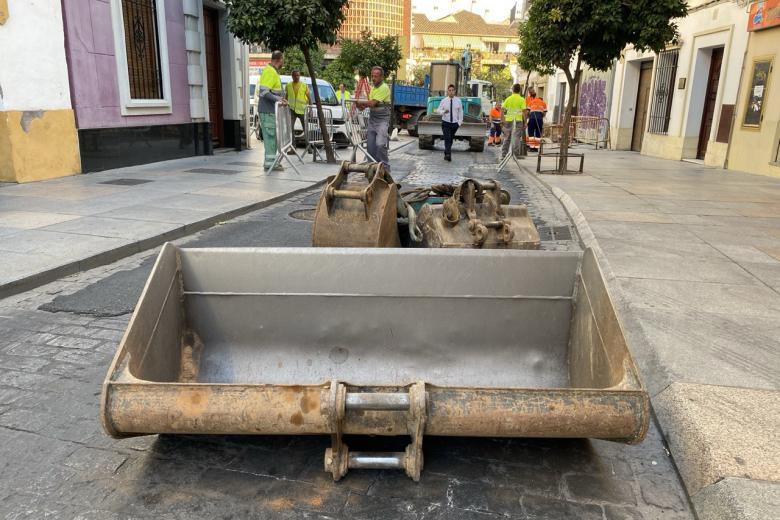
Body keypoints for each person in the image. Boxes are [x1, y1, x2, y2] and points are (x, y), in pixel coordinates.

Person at [356, 66, 391, 172]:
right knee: (370, 148)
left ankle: (385, 167)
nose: (373, 78)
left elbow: (373, 103)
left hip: (382, 121)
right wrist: (360, 106)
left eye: (376, 76)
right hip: (372, 120)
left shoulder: (384, 87)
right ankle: (373, 168)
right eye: (372, 76)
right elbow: (370, 105)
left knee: (380, 144)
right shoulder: (373, 89)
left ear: (381, 77)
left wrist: (360, 101)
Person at [257, 51, 287, 171]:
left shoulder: (272, 71)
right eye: (283, 59)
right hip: (267, 111)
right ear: (279, 59)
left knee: (273, 137)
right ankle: (269, 164)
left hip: (270, 111)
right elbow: (264, 92)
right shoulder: (270, 71)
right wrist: (279, 101)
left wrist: (280, 99)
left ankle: (272, 162)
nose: (283, 61)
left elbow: (272, 92)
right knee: (270, 137)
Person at [285, 70, 310, 152]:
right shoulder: (288, 85)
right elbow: (286, 97)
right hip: (292, 110)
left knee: (305, 129)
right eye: (295, 75)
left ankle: (308, 147)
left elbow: (309, 97)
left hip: (302, 110)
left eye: (298, 75)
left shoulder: (304, 85)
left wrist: (311, 107)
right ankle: (293, 147)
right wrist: (284, 104)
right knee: (290, 129)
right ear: (292, 76)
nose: (297, 77)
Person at [436, 84, 463, 161]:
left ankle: (446, 151)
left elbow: (461, 112)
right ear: (448, 91)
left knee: (450, 139)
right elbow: (438, 110)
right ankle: (448, 154)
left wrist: (459, 123)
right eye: (449, 90)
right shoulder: (444, 101)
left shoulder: (458, 101)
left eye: (452, 90)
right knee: (447, 138)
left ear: (455, 91)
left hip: (455, 123)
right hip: (446, 122)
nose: (451, 92)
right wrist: (444, 111)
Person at [501, 84, 528, 159]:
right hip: (518, 120)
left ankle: (503, 155)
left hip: (509, 120)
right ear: (519, 90)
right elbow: (524, 111)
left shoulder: (508, 99)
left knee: (507, 137)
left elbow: (502, 109)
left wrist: (502, 120)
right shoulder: (522, 99)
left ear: (512, 90)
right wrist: (525, 122)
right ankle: (516, 154)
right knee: (516, 137)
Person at [525, 87, 547, 152]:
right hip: (539, 119)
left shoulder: (531, 102)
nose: (533, 92)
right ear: (529, 92)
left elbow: (527, 111)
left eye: (533, 91)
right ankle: (536, 148)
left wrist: (528, 117)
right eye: (532, 91)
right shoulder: (543, 102)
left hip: (531, 118)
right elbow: (544, 113)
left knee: (531, 133)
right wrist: (540, 116)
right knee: (538, 133)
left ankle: (532, 147)